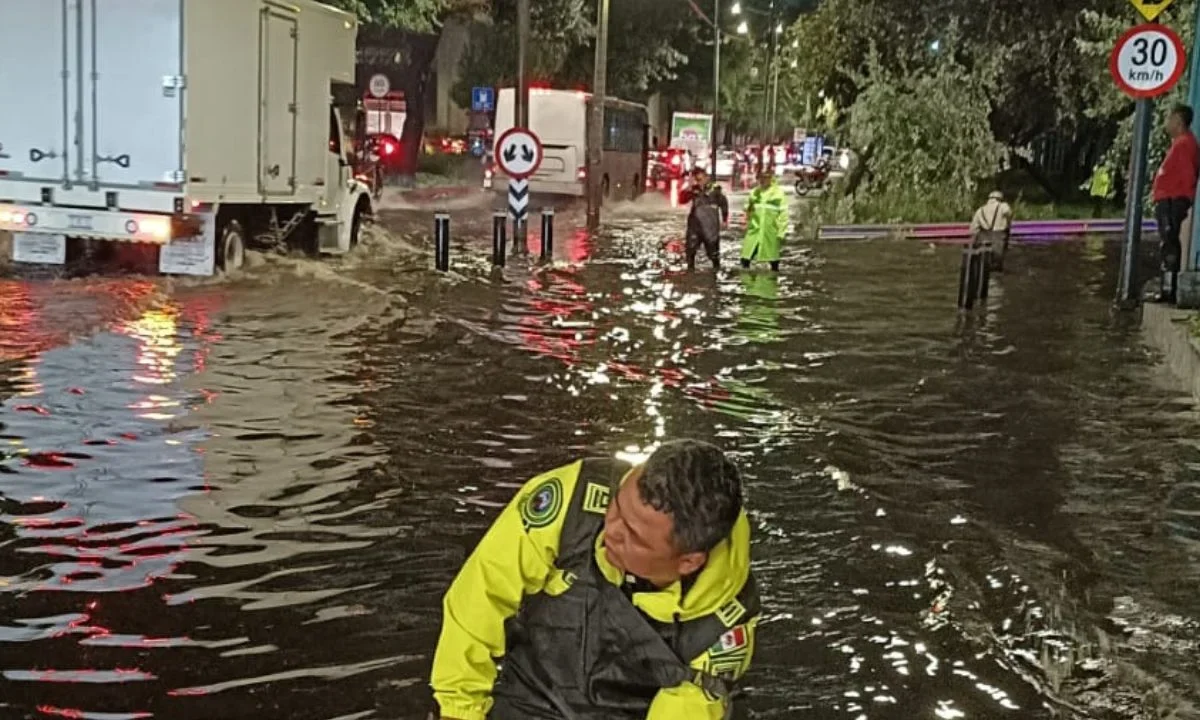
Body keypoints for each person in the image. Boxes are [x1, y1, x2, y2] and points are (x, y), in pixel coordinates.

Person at [430, 440, 759, 720]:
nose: (611, 531)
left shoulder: (723, 631)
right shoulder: (570, 498)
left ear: (688, 562)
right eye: (618, 507)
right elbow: (479, 598)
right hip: (528, 691)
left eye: (634, 536)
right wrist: (459, 710)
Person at [1151, 104, 1200, 303]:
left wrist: (1182, 199)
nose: (1167, 123)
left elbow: (1188, 174)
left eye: (1169, 119)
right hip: (1169, 199)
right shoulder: (1181, 143)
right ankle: (1167, 287)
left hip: (1172, 200)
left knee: (1169, 242)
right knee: (1168, 242)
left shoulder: (1184, 144)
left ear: (1178, 122)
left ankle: (1168, 289)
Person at [679, 167, 729, 270]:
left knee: (713, 253)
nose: (699, 182)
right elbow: (682, 200)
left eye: (701, 179)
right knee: (691, 251)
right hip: (695, 226)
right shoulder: (693, 190)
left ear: (706, 178)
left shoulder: (715, 190)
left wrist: (724, 220)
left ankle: (715, 272)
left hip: (710, 227)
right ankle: (690, 272)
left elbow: (724, 204)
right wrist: (688, 187)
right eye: (697, 180)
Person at [740, 169, 789, 271]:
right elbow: (748, 209)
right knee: (746, 257)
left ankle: (772, 279)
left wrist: (781, 231)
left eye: (765, 178)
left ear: (771, 178)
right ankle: (747, 280)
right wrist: (746, 221)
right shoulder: (754, 192)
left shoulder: (778, 193)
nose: (762, 180)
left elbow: (784, 214)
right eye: (761, 178)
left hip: (770, 231)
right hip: (755, 231)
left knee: (773, 259)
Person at [969, 190, 1013, 271]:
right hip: (998, 238)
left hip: (983, 239)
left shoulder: (980, 210)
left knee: (984, 266)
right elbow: (1009, 214)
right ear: (1000, 199)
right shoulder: (1003, 206)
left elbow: (973, 229)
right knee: (997, 266)